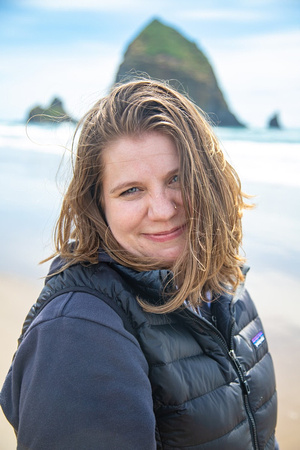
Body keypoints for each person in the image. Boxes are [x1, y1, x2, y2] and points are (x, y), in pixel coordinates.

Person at [0, 79, 278, 449]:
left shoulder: (224, 284)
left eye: (177, 179)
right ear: (98, 204)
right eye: (131, 190)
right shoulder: (79, 331)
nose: (163, 210)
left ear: (207, 179)